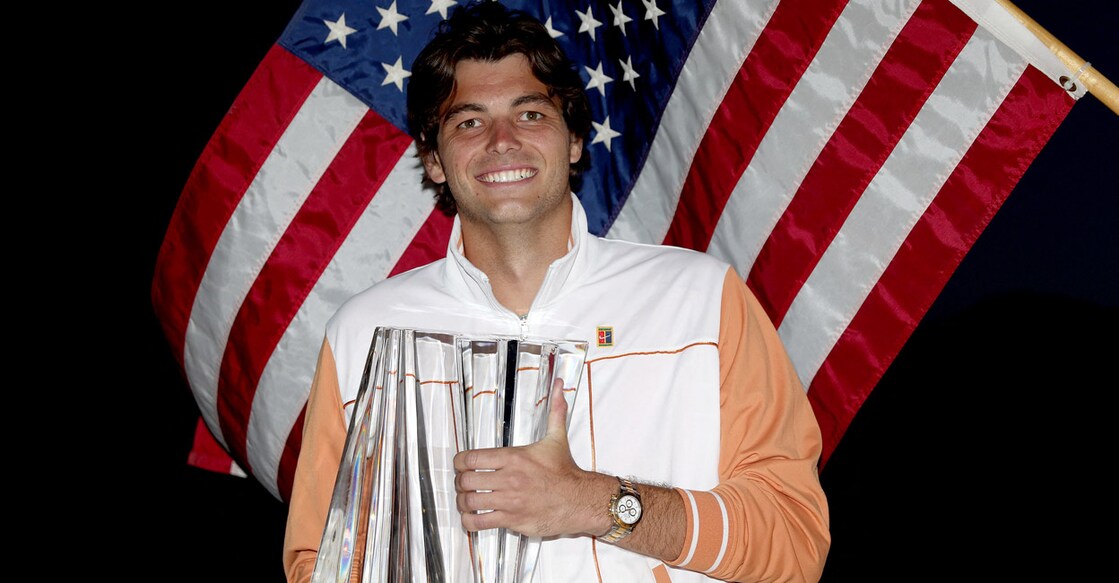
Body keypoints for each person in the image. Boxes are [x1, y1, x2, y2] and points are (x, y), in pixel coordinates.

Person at [282, 2, 830, 581]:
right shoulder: (363, 333)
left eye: (531, 114)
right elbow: (319, 561)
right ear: (434, 159)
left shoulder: (700, 298)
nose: (501, 141)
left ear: (573, 141)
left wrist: (592, 502)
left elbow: (793, 540)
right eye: (468, 121)